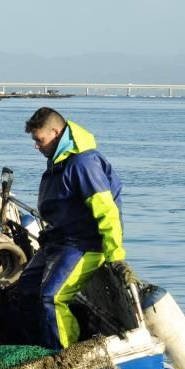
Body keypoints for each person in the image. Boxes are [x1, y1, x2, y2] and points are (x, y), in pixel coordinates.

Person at [14, 107, 130, 350]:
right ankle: (36, 344)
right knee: (25, 289)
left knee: (52, 298)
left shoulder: (83, 163)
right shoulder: (58, 161)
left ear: (55, 133)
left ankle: (64, 355)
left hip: (84, 244)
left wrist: (116, 257)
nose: (37, 146)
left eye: (39, 140)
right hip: (58, 242)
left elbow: (107, 211)